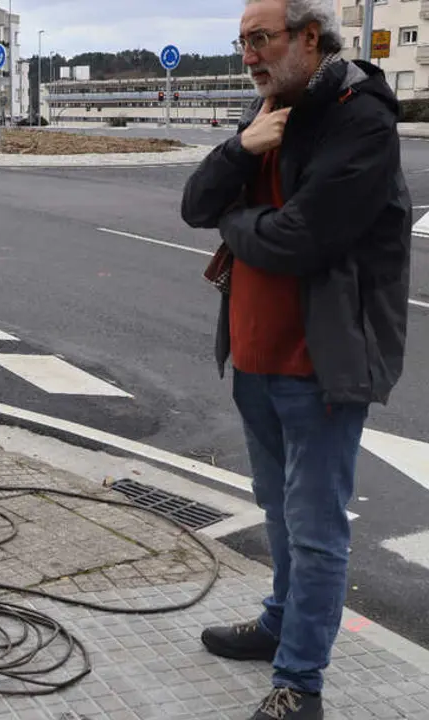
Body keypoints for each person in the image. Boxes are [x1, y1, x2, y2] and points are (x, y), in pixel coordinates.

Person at [181, 1, 410, 718]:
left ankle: (300, 684)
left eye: (261, 39)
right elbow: (194, 205)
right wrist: (241, 151)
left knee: (315, 529)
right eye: (241, 41)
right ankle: (281, 619)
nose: (249, 55)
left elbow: (302, 239)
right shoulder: (267, 114)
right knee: (275, 508)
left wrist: (236, 219)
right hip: (253, 356)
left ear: (309, 38)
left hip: (321, 363)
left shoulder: (360, 120)